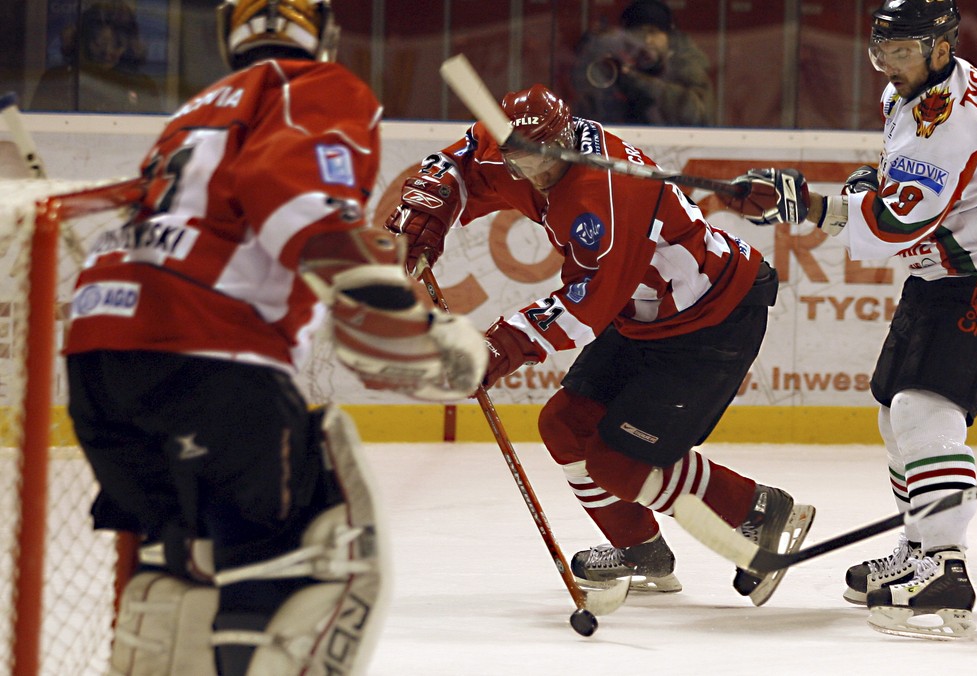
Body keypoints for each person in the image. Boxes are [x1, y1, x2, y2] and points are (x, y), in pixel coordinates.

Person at [63, 1, 485, 674]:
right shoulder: (314, 86)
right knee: (304, 561)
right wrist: (396, 317)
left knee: (180, 573)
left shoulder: (193, 110)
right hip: (211, 359)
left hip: (99, 365)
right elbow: (293, 195)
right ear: (320, 28)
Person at [385, 83, 814, 606]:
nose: (519, 174)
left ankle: (757, 510)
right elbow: (458, 161)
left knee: (618, 463)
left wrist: (496, 349)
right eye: (511, 159)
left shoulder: (605, 198)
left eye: (531, 163)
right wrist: (430, 213)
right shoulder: (520, 149)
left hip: (710, 318)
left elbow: (585, 307)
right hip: (642, 313)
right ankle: (642, 552)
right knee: (564, 426)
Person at [719, 0, 977, 639]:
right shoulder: (917, 93)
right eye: (883, 49)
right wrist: (835, 196)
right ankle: (920, 550)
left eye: (903, 50)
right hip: (944, 273)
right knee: (894, 411)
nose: (889, 63)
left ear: (941, 47)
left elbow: (896, 223)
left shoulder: (953, 118)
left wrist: (805, 203)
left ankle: (945, 565)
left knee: (924, 408)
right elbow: (895, 189)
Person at [570, 0, 713, 126]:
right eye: (640, 34)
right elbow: (590, 117)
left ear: (668, 36)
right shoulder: (617, 65)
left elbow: (698, 115)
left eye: (654, 33)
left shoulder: (686, 66)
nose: (648, 41)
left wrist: (638, 82)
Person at [31, 0, 162, 113]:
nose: (107, 52)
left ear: (130, 46)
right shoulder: (57, 81)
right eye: (98, 43)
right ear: (83, 41)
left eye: (118, 44)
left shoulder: (142, 86)